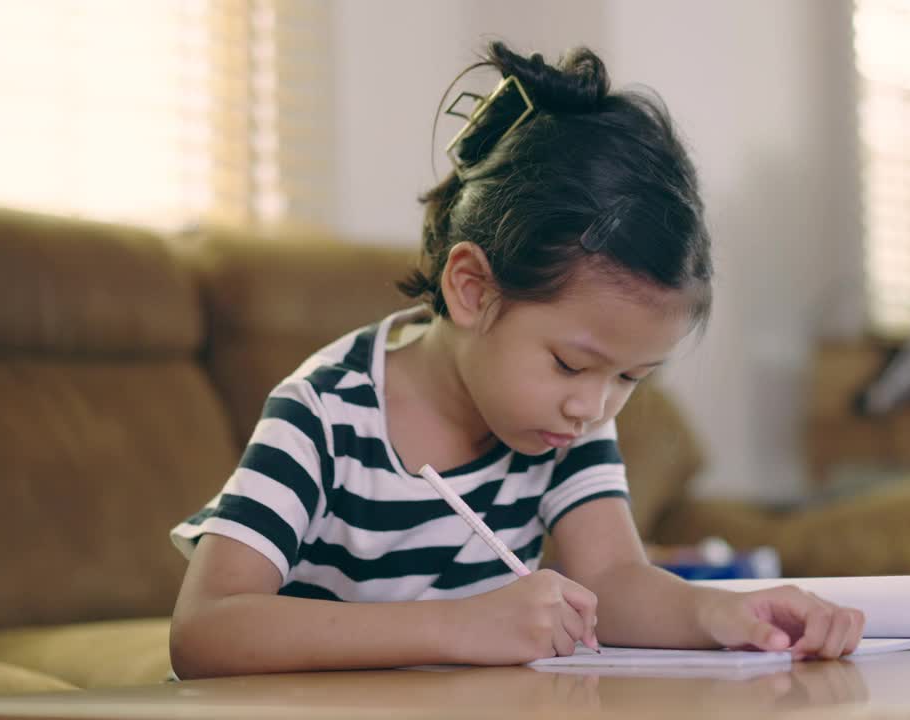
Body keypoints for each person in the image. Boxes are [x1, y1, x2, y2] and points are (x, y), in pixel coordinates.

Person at [168, 41, 864, 679]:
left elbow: (615, 582)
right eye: (570, 363)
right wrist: (453, 626)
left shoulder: (566, 425)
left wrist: (718, 615)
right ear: (472, 289)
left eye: (629, 378)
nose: (593, 406)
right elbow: (205, 630)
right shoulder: (324, 413)